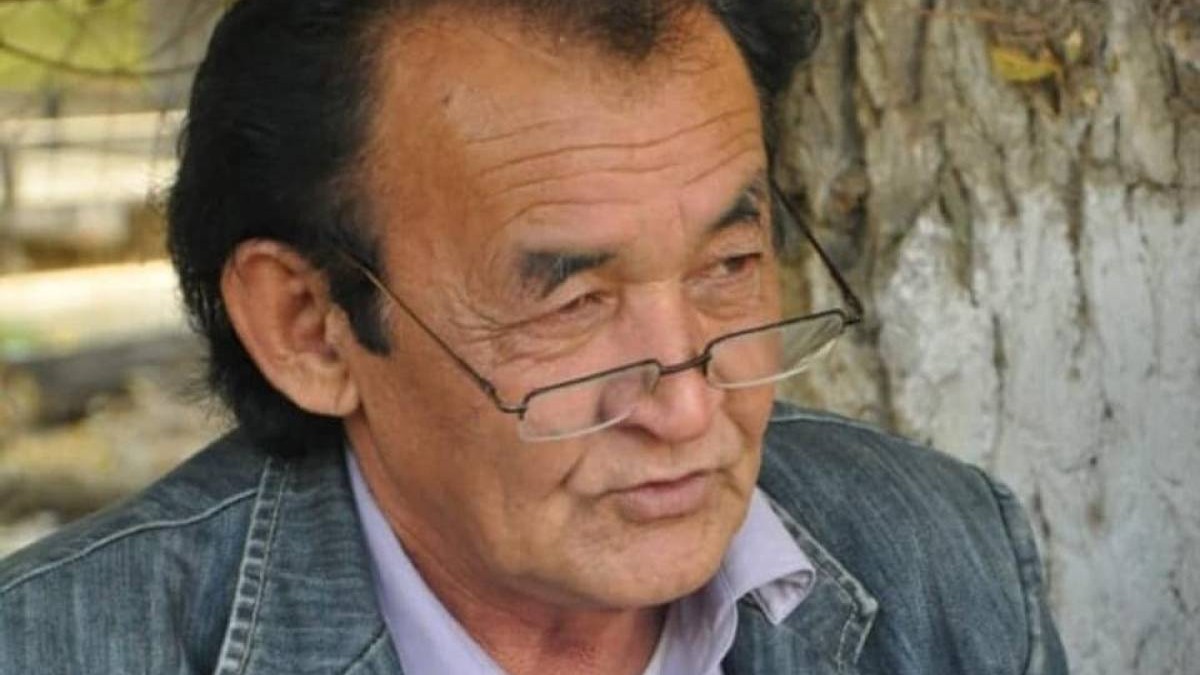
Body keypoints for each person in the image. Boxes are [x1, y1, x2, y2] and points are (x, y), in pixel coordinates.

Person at [0, 0, 1069, 673]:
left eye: (730, 266)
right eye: (574, 304)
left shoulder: (939, 555)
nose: (689, 406)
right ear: (310, 328)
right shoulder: (61, 646)